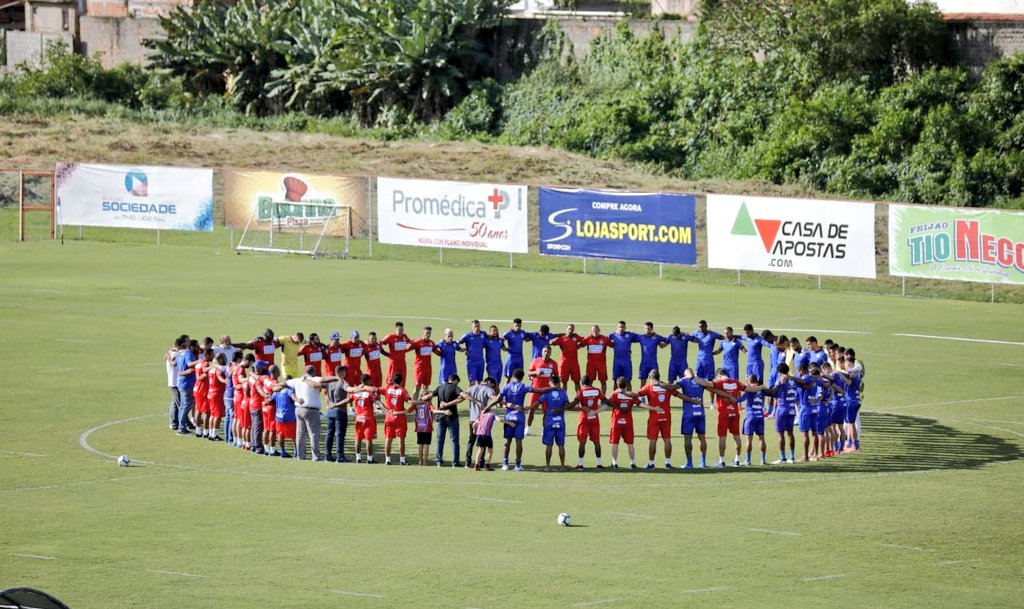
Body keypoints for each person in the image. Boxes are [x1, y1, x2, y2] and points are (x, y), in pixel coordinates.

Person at [712, 367, 763, 467]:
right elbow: (751, 389)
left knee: (722, 437)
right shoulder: (736, 383)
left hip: (723, 413)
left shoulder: (719, 383)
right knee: (737, 436)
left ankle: (722, 461)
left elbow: (708, 386)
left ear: (719, 375)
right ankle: (737, 460)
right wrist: (762, 387)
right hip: (735, 412)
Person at [637, 370, 685, 470]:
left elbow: (637, 394)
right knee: (667, 439)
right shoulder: (666, 387)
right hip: (666, 417)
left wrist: (624, 393)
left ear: (651, 377)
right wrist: (693, 400)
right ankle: (668, 463)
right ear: (659, 377)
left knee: (653, 441)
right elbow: (679, 395)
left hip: (654, 418)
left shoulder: (648, 387)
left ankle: (651, 464)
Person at [381, 373, 431, 465]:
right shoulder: (402, 390)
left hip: (389, 417)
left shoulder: (387, 388)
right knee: (401, 440)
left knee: (388, 439)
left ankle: (387, 459)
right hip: (400, 418)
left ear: (393, 380)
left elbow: (374, 390)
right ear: (401, 381)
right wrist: (422, 401)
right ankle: (402, 460)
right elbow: (410, 402)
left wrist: (383, 408)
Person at [498, 368, 535, 471]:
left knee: (507, 441)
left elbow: (498, 399)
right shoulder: (523, 386)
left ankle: (505, 464)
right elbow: (537, 390)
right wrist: (551, 388)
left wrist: (506, 404)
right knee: (519, 442)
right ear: (522, 378)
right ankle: (518, 465)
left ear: (513, 376)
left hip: (509, 416)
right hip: (519, 416)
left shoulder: (506, 386)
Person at [535, 375, 574, 471]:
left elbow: (537, 403)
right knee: (561, 445)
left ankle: (547, 466)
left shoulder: (547, 393)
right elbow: (568, 405)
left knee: (549, 445)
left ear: (551, 383)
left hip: (549, 421)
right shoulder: (563, 393)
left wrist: (527, 408)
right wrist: (561, 409)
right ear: (559, 383)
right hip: (560, 421)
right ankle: (562, 466)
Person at [288, 365, 327, 461]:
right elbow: (325, 379)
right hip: (311, 411)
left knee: (300, 434)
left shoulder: (297, 380)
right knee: (313, 434)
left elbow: (285, 383)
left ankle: (300, 456)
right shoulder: (314, 379)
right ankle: (316, 456)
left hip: (299, 409)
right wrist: (337, 378)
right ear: (314, 372)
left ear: (305, 371)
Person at [575, 376, 613, 470]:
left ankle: (580, 465)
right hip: (594, 418)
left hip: (584, 418)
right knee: (596, 442)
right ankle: (599, 464)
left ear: (582, 383)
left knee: (582, 442)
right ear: (590, 382)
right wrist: (616, 406)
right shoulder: (597, 390)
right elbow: (606, 402)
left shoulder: (581, 391)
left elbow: (575, 404)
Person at [432, 373, 466, 467]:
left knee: (439, 440)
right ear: (454, 380)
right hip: (452, 417)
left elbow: (430, 395)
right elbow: (463, 396)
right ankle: (455, 462)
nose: (457, 384)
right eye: (457, 382)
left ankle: (438, 461)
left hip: (440, 417)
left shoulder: (440, 387)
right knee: (454, 441)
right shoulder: (454, 387)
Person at [462, 377, 498, 467]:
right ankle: (481, 462)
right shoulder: (488, 389)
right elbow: (494, 398)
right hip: (482, 419)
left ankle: (467, 461)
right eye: (492, 386)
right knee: (483, 441)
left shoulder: (472, 388)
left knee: (471, 440)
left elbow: (463, 395)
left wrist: (474, 401)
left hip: (472, 418)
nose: (492, 388)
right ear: (489, 382)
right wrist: (489, 407)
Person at [769, 363, 800, 464]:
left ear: (779, 372)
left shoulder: (780, 380)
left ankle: (783, 458)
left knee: (780, 433)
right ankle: (792, 457)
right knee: (790, 433)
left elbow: (774, 391)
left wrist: (767, 391)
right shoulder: (793, 380)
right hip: (791, 409)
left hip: (782, 409)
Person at [349, 375, 383, 463]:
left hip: (359, 418)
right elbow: (377, 402)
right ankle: (369, 459)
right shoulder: (369, 392)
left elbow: (349, 399)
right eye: (370, 381)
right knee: (368, 439)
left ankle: (358, 458)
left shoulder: (355, 392)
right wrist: (386, 410)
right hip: (368, 418)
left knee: (358, 438)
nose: (371, 382)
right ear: (367, 381)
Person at [607, 377, 639, 469]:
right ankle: (632, 463)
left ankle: (614, 463)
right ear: (626, 385)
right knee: (630, 444)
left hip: (616, 422)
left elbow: (606, 405)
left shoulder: (614, 394)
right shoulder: (630, 395)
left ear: (617, 385)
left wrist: (596, 411)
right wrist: (653, 408)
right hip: (628, 422)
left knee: (615, 443)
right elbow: (641, 404)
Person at [525, 345, 558, 434]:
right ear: (542, 352)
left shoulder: (553, 364)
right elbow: (528, 373)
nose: (546, 353)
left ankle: (544, 429)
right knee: (531, 409)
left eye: (548, 352)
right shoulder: (536, 361)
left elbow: (556, 376)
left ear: (550, 353)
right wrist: (536, 372)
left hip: (547, 391)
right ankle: (528, 428)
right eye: (545, 351)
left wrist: (556, 386)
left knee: (546, 411)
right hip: (535, 390)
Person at [324, 365, 350, 462]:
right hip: (340, 411)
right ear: (343, 373)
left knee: (329, 433)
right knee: (340, 434)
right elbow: (349, 394)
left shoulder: (330, 383)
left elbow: (318, 384)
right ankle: (340, 456)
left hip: (330, 411)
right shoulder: (343, 383)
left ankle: (328, 455)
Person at [741, 374, 769, 465]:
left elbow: (740, 399)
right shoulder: (761, 390)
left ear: (749, 381)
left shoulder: (749, 389)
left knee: (749, 439)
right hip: (760, 416)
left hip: (751, 416)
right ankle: (763, 460)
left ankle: (748, 460)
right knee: (761, 438)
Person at [580, 325, 613, 393]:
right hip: (591, 364)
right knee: (589, 381)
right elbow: (579, 346)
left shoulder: (605, 339)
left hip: (601, 364)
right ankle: (590, 396)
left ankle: (603, 397)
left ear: (599, 331)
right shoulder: (587, 339)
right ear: (591, 331)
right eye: (593, 331)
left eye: (596, 331)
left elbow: (613, 345)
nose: (595, 332)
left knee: (603, 381)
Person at [550, 324, 583, 394]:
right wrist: (553, 338)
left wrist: (579, 346)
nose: (570, 331)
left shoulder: (576, 337)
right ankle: (564, 398)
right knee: (563, 382)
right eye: (569, 329)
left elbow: (585, 340)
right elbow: (551, 343)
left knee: (577, 382)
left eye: (572, 329)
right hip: (564, 364)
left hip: (574, 364)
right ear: (566, 329)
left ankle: (579, 398)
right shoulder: (561, 339)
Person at [269, 382, 299, 459]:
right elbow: (293, 397)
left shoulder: (277, 392)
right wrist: (298, 400)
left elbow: (270, 399)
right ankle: (296, 452)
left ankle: (283, 452)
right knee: (294, 436)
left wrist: (264, 402)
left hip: (279, 416)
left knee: (280, 435)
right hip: (290, 416)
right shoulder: (289, 390)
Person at [412, 388, 439, 466]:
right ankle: (425, 462)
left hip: (419, 427)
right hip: (427, 427)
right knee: (426, 444)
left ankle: (420, 461)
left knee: (420, 444)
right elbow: (434, 411)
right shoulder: (429, 404)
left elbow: (409, 410)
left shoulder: (417, 404)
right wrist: (443, 411)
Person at [232, 353, 254, 449]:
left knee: (236, 418)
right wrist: (250, 378)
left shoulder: (236, 367)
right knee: (240, 420)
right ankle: (240, 441)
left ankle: (236, 440)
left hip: (236, 395)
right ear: (247, 361)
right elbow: (240, 380)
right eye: (251, 363)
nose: (250, 365)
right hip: (240, 396)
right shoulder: (241, 368)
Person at [380, 322, 412, 388]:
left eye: (402, 329)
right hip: (393, 364)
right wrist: (387, 354)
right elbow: (380, 343)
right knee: (391, 381)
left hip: (402, 363)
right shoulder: (390, 337)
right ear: (396, 329)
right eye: (399, 330)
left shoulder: (404, 336)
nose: (401, 331)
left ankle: (401, 394)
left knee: (402, 381)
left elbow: (411, 342)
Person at [609, 321, 639, 390]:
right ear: (617, 327)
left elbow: (642, 337)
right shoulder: (612, 335)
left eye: (622, 327)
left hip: (627, 362)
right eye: (620, 327)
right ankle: (615, 396)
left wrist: (653, 335)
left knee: (628, 381)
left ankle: (629, 396)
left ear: (625, 327)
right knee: (616, 381)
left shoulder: (630, 335)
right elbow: (605, 341)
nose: (621, 328)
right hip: (617, 362)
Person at [247, 360, 269, 454]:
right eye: (263, 366)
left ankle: (253, 445)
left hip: (252, 403)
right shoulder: (259, 379)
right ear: (259, 368)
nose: (265, 368)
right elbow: (260, 391)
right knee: (258, 427)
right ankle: (258, 447)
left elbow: (247, 392)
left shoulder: (250, 378)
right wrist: (267, 396)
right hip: (257, 405)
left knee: (254, 426)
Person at [205, 352, 228, 441]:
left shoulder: (211, 369)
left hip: (210, 393)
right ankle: (214, 434)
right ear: (220, 360)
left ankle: (211, 433)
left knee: (212, 414)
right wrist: (225, 381)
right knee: (218, 415)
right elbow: (219, 377)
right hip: (217, 394)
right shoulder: (218, 369)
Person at [192, 348, 213, 438]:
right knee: (207, 412)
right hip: (203, 390)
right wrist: (212, 367)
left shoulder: (198, 363)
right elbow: (201, 374)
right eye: (211, 355)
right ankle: (205, 432)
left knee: (199, 410)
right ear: (207, 355)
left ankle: (198, 431)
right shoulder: (206, 363)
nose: (213, 356)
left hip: (197, 388)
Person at [472, 406, 500, 471]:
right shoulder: (492, 414)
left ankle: (476, 466)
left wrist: (474, 430)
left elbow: (474, 424)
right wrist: (509, 422)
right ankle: (487, 466)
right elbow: (499, 420)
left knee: (480, 450)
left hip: (479, 434)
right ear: (490, 410)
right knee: (490, 450)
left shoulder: (481, 415)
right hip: (487, 435)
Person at [459, 320, 487, 385]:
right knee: (472, 382)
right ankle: (471, 392)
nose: (477, 328)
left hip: (480, 362)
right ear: (472, 327)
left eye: (478, 326)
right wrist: (464, 349)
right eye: (475, 326)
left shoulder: (483, 334)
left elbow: (490, 339)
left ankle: (478, 392)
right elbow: (458, 342)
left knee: (479, 382)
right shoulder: (467, 336)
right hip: (471, 362)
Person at [410, 326, 436, 395]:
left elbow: (438, 352)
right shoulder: (417, 342)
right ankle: (415, 402)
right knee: (417, 387)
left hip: (428, 368)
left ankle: (424, 402)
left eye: (430, 333)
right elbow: (406, 349)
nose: (428, 335)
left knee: (426, 388)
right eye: (427, 333)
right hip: (419, 368)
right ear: (423, 332)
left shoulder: (431, 343)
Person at [166, 336, 185, 431]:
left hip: (174, 381)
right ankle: (179, 423)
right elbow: (173, 363)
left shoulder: (172, 353)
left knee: (175, 402)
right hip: (175, 382)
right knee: (179, 403)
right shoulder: (175, 354)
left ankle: (174, 422)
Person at [502, 318, 527, 383]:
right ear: (513, 325)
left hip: (520, 357)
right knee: (508, 378)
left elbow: (527, 339)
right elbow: (500, 340)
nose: (518, 327)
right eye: (516, 325)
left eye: (519, 326)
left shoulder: (522, 333)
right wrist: (504, 347)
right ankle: (504, 389)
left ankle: (517, 389)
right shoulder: (508, 333)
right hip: (511, 357)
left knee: (519, 377)